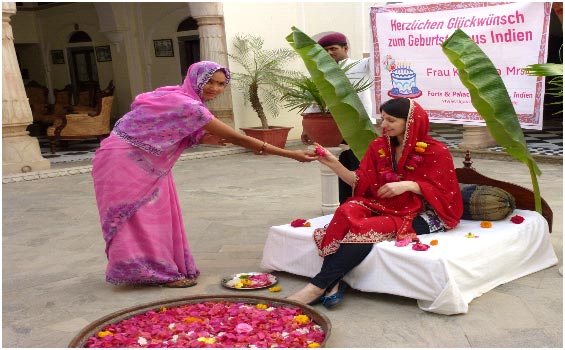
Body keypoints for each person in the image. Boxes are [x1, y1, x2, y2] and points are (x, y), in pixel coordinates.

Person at [92, 61, 318, 288]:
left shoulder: (178, 96)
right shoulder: (188, 104)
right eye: (209, 81)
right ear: (194, 78)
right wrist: (291, 154)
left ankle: (153, 267)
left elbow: (172, 129)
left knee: (155, 216)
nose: (215, 88)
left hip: (142, 161)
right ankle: (151, 272)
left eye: (221, 84)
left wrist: (204, 136)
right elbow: (239, 139)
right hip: (122, 161)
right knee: (134, 217)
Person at [287, 97, 463, 307]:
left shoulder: (436, 151)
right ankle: (333, 281)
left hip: (422, 213)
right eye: (383, 119)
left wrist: (409, 185)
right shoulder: (379, 146)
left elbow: (446, 193)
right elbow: (359, 182)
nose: (384, 125)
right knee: (346, 210)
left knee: (365, 228)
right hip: (384, 205)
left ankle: (318, 286)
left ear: (411, 122)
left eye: (391, 120)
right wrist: (333, 164)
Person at [301, 31, 374, 204]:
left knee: (360, 169)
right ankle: (345, 206)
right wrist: (306, 128)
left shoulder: (361, 65)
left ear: (346, 48)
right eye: (324, 50)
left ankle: (363, 204)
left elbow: (382, 56)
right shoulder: (319, 72)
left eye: (333, 48)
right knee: (338, 169)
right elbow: (314, 102)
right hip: (331, 130)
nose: (329, 53)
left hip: (358, 129)